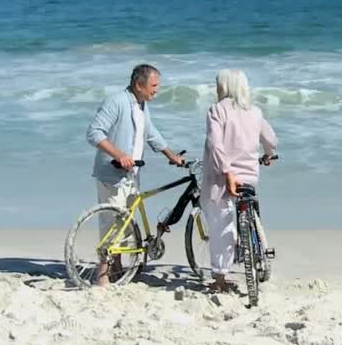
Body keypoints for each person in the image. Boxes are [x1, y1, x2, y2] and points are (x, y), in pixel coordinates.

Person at [86, 63, 186, 285]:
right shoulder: (117, 102)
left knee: (126, 222)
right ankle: (103, 275)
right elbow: (94, 133)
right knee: (112, 223)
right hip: (112, 172)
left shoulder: (141, 104)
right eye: (154, 85)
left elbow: (150, 133)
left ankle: (117, 268)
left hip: (132, 173)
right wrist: (119, 154)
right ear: (139, 85)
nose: (157, 90)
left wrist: (171, 155)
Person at [201, 69, 278, 293]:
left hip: (222, 177)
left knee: (220, 224)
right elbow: (271, 139)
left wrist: (227, 171)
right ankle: (256, 247)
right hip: (249, 175)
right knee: (245, 208)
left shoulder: (217, 110)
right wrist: (269, 154)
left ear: (224, 87)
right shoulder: (255, 112)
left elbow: (216, 145)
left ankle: (220, 278)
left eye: (218, 85)